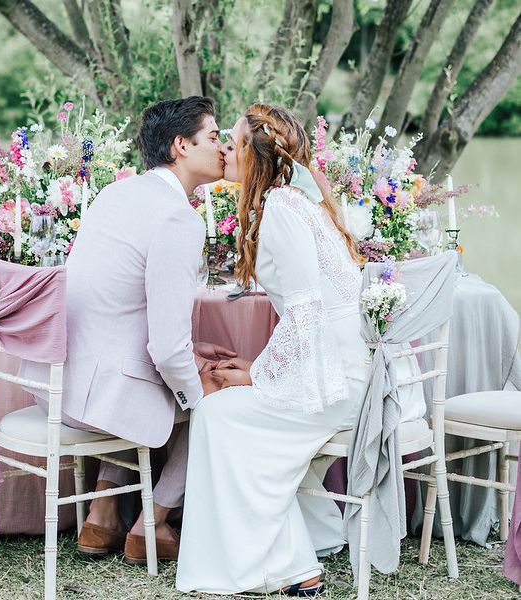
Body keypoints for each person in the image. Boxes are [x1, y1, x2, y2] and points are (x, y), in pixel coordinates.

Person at [30, 96, 235, 563]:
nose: (223, 148)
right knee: (216, 391)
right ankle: (153, 522)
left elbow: (118, 308)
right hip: (98, 393)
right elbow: (165, 349)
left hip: (57, 380)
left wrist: (189, 352)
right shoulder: (177, 217)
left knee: (173, 374)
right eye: (214, 137)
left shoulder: (116, 192)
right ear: (181, 146)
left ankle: (101, 518)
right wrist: (197, 386)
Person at [177, 103, 364, 596]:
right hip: (338, 369)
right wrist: (259, 366)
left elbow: (305, 315)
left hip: (337, 381)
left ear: (255, 156)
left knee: (218, 415)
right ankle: (296, 562)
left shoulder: (282, 208)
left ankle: (289, 566)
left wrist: (257, 376)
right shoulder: (296, 202)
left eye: (232, 143)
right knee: (223, 409)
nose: (222, 150)